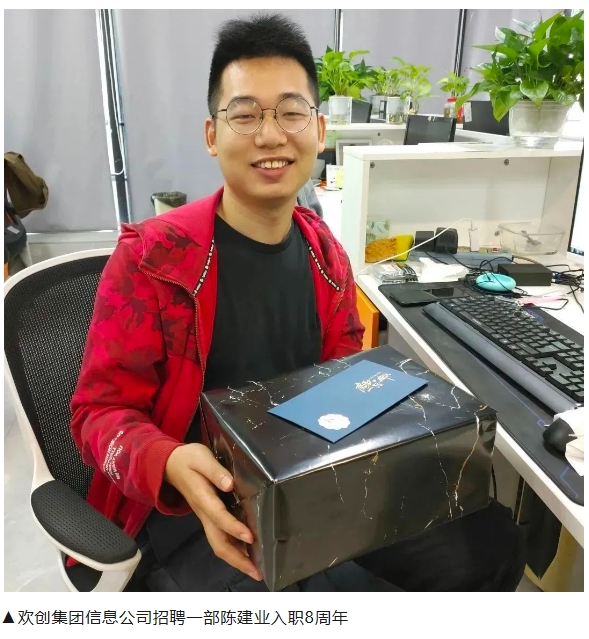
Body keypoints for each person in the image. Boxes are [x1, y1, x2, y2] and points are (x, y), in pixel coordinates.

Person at [70, 13, 525, 592]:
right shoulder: (154, 260)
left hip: (318, 482)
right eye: (245, 115)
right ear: (211, 135)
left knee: (488, 544)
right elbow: (97, 413)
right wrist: (169, 462)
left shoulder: (323, 253)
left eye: (291, 112)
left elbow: (350, 378)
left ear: (320, 129)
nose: (270, 136)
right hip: (199, 510)